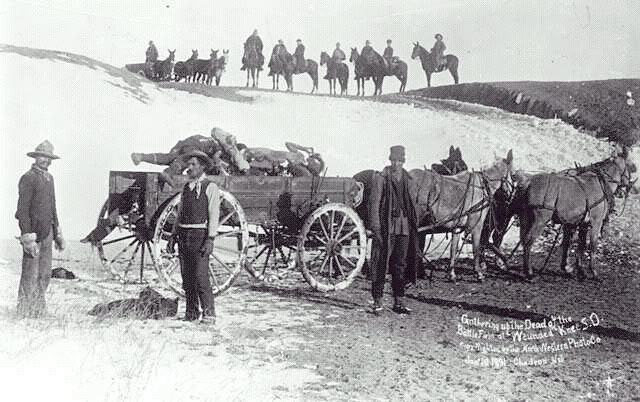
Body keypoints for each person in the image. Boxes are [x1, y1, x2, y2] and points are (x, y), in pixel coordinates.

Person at [167, 150, 219, 323]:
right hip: (183, 235)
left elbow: (214, 214)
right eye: (188, 165)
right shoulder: (186, 188)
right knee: (187, 277)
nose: (189, 168)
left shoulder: (210, 187)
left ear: (202, 167)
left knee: (200, 276)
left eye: (193, 165)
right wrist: (173, 236)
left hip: (199, 236)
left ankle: (209, 314)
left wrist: (210, 239)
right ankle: (191, 313)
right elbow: (180, 213)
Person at [15, 140, 65, 318]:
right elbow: (22, 210)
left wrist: (57, 232)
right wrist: (27, 235)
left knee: (44, 274)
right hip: (33, 233)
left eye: (49, 158)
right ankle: (24, 311)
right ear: (36, 157)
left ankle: (38, 310)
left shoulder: (50, 179)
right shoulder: (28, 177)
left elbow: (53, 207)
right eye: (43, 157)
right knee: (30, 274)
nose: (47, 161)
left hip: (48, 232)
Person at [369, 145, 419, 315]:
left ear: (403, 161)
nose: (397, 163)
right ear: (390, 160)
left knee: (400, 265)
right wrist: (375, 227)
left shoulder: (408, 179)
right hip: (386, 227)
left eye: (400, 160)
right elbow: (374, 204)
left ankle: (399, 301)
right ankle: (377, 301)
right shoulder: (381, 178)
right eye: (394, 160)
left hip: (404, 227)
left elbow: (413, 204)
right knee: (380, 264)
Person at [240, 142, 324, 177]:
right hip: (271, 153)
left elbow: (291, 168)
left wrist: (288, 162)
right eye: (313, 159)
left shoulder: (303, 170)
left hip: (271, 162)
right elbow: (288, 144)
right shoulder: (300, 155)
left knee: (248, 160)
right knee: (246, 152)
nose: (312, 160)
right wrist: (304, 148)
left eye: (314, 162)